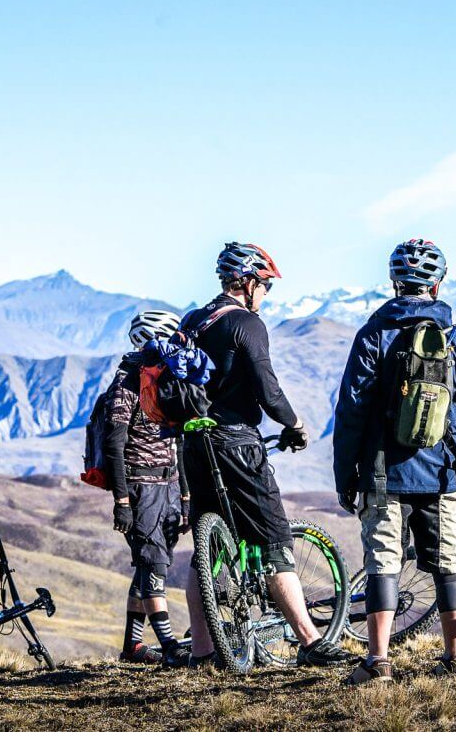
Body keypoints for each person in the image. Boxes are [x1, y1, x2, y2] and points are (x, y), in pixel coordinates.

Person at [180, 242, 352, 668]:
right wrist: (294, 425)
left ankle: (201, 653)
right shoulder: (246, 324)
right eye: (266, 286)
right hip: (237, 443)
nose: (267, 295)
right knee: (274, 538)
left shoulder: (194, 320)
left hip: (195, 444)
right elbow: (267, 387)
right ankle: (310, 640)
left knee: (208, 548)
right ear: (249, 282)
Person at [333, 238, 456, 684]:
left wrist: (346, 477)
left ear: (395, 282)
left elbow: (351, 411)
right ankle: (454, 658)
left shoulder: (373, 336)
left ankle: (378, 661)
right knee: (450, 562)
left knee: (383, 562)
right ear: (437, 285)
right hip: (443, 475)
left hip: (384, 474)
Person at [106, 309, 190, 666]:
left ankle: (133, 647)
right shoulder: (125, 385)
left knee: (147, 566)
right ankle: (170, 645)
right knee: (154, 565)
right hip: (141, 488)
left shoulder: (164, 380)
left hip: (168, 484)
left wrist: (185, 496)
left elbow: (180, 441)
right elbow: (114, 444)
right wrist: (122, 500)